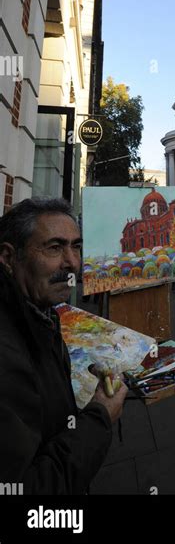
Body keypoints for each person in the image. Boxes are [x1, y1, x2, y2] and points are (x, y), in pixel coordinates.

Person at [0, 197, 128, 494]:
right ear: (8, 258)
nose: (72, 262)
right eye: (54, 248)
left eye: (77, 246)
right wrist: (99, 417)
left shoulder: (40, 306)